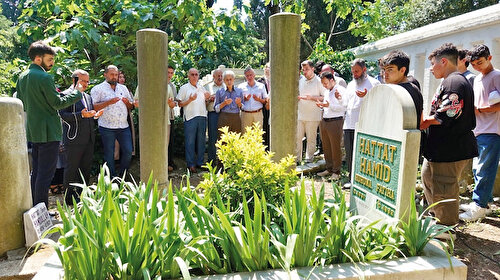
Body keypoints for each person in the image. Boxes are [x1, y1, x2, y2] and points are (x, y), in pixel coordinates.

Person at [16, 40, 84, 208]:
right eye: (49, 59)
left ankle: (35, 207)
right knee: (45, 174)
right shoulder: (45, 77)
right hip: (49, 132)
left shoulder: (22, 77)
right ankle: (42, 210)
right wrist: (77, 93)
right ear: (38, 59)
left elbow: (21, 101)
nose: (52, 62)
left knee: (37, 172)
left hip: (33, 130)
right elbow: (57, 103)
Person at [420, 43, 477, 228]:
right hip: (440, 150)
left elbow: (448, 112)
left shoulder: (455, 81)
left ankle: (447, 228)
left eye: (433, 64)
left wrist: (426, 121)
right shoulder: (451, 81)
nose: (430, 69)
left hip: (450, 149)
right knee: (429, 179)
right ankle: (438, 220)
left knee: (444, 188)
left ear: (443, 61)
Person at [459, 44, 500, 221]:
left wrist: (481, 110)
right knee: (478, 169)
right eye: (473, 64)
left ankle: (479, 206)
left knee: (484, 169)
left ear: (489, 58)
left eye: (480, 62)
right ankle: (486, 202)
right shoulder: (476, 79)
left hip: (492, 130)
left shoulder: (497, 76)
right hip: (478, 130)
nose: (477, 66)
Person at [59, 69, 102, 205]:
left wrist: (94, 115)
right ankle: (68, 198)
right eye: (83, 81)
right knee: (71, 168)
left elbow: (87, 114)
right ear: (74, 80)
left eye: (87, 82)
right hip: (73, 138)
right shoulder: (66, 95)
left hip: (88, 138)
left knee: (85, 168)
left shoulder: (87, 96)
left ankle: (82, 195)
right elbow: (62, 116)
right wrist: (81, 115)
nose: (86, 84)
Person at [91, 65, 134, 177]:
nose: (114, 77)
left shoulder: (123, 88)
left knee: (128, 151)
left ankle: (122, 175)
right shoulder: (98, 89)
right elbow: (93, 107)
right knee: (109, 154)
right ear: (105, 74)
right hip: (106, 126)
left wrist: (127, 103)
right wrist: (108, 102)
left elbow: (131, 106)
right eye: (112, 74)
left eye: (116, 75)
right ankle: (111, 178)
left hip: (123, 126)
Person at [343, 58, 380, 181]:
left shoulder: (374, 84)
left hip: (364, 125)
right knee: (350, 153)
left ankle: (362, 179)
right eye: (353, 72)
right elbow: (346, 103)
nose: (354, 74)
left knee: (362, 155)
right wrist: (339, 99)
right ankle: (351, 178)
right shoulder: (350, 84)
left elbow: (379, 103)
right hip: (349, 124)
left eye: (357, 71)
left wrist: (367, 96)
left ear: (364, 69)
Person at [177, 68, 210, 173]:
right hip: (190, 117)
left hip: (202, 116)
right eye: (192, 74)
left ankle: (200, 163)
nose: (194, 76)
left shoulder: (201, 87)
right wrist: (190, 100)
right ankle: (190, 164)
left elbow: (206, 102)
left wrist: (208, 98)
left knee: (201, 141)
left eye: (196, 74)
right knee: (190, 142)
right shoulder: (184, 88)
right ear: (188, 76)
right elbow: (179, 104)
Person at [382, 50, 423, 129]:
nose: (385, 74)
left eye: (390, 69)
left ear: (402, 70)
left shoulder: (404, 90)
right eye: (384, 70)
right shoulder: (411, 88)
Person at [316, 72, 346, 180]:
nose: (324, 85)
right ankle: (329, 168)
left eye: (325, 83)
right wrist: (322, 106)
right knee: (326, 146)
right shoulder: (327, 91)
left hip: (336, 121)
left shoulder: (340, 90)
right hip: (325, 120)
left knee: (335, 147)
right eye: (323, 83)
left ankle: (336, 172)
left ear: (332, 80)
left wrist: (329, 105)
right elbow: (326, 105)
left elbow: (343, 107)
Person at [296, 60, 326, 164]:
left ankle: (309, 160)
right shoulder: (300, 81)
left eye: (307, 69)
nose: (305, 72)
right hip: (300, 115)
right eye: (303, 70)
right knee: (297, 138)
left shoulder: (319, 81)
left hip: (313, 116)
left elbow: (324, 97)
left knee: (311, 139)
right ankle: (297, 160)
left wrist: (312, 97)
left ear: (313, 69)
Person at [238, 66, 268, 133]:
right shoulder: (241, 86)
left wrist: (258, 99)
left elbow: (265, 101)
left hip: (258, 114)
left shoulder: (261, 86)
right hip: (245, 114)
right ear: (245, 76)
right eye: (247, 75)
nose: (249, 77)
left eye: (251, 75)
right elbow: (238, 102)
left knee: (258, 135)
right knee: (245, 135)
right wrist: (244, 99)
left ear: (254, 75)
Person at [205, 68, 224, 164]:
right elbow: (204, 102)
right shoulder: (207, 87)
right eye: (218, 76)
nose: (220, 78)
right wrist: (209, 99)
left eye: (221, 76)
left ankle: (222, 162)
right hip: (212, 114)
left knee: (223, 137)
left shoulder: (226, 86)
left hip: (224, 114)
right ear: (214, 77)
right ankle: (211, 161)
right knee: (212, 138)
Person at [215, 70, 243, 134]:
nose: (229, 82)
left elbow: (243, 107)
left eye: (230, 79)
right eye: (227, 80)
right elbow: (216, 109)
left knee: (236, 140)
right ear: (223, 80)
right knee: (223, 140)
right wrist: (224, 103)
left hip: (236, 117)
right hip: (224, 117)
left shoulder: (239, 91)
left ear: (234, 79)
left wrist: (239, 104)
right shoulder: (219, 91)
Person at [257, 62, 271, 150]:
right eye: (266, 67)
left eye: (269, 67)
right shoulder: (259, 81)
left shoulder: (276, 81)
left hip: (273, 109)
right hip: (262, 108)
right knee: (263, 129)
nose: (267, 69)